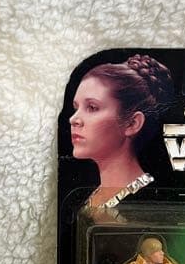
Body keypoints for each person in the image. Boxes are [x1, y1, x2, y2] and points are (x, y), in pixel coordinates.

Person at [70, 54, 173, 209]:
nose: (73, 119)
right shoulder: (90, 199)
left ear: (132, 123)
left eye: (92, 107)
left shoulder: (144, 205)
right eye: (76, 108)